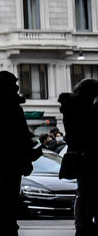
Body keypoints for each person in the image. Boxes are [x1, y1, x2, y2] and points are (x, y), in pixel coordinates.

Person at [0, 70, 36, 236]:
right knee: (10, 193)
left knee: (4, 192)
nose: (17, 86)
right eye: (14, 83)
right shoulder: (12, 107)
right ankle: (7, 224)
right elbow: (20, 133)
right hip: (14, 156)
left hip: (1, 156)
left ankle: (1, 224)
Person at [60, 78, 98, 235]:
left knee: (83, 192)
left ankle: (82, 224)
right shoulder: (85, 108)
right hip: (88, 155)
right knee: (87, 192)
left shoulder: (71, 107)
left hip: (80, 155)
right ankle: (84, 223)